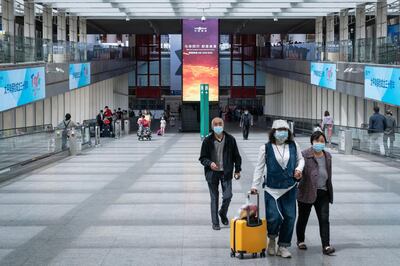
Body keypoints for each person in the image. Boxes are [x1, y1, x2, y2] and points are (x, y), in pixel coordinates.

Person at [251, 120, 304, 258]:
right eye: (280, 130)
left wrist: (298, 169)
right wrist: (254, 186)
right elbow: (259, 167)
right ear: (273, 132)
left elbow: (301, 159)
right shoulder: (265, 148)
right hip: (271, 189)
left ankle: (283, 246)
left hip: (290, 187)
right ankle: (272, 239)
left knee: (290, 217)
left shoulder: (293, 145)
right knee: (273, 217)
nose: (283, 132)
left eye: (285, 130)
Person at [296, 131, 335, 256]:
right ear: (312, 142)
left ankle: (326, 246)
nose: (319, 143)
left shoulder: (327, 156)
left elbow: (328, 173)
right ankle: (300, 240)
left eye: (322, 141)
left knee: (324, 219)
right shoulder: (304, 155)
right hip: (307, 191)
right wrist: (298, 176)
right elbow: (298, 171)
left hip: (323, 192)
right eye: (317, 141)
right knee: (303, 218)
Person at [199, 117, 242, 231]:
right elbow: (202, 158)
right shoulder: (207, 141)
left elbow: (236, 156)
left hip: (226, 172)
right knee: (214, 198)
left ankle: (222, 213)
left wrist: (237, 170)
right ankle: (215, 222)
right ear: (212, 127)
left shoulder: (230, 139)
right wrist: (210, 163)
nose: (218, 126)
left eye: (220, 124)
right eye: (216, 124)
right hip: (212, 174)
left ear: (223, 125)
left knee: (228, 196)